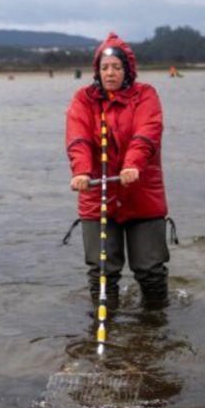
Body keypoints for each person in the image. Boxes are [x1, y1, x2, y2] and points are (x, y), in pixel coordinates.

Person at [65, 32, 170, 307]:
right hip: (97, 194)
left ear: (128, 70)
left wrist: (133, 165)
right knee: (101, 273)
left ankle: (154, 327)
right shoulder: (83, 99)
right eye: (105, 67)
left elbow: (146, 134)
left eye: (117, 67)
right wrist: (82, 171)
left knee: (150, 271)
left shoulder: (146, 95)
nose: (110, 73)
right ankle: (104, 322)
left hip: (140, 193)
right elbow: (78, 138)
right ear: (97, 71)